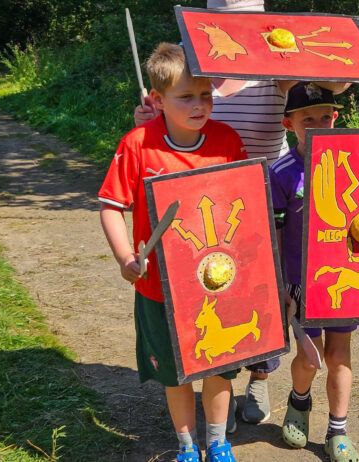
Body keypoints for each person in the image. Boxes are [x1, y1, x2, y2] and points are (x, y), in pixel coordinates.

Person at [133, 0, 351, 428]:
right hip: (206, 201)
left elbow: (337, 82)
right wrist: (149, 115)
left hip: (270, 194)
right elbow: (171, 110)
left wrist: (307, 47)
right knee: (217, 292)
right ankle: (222, 390)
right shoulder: (190, 55)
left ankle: (258, 379)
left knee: (260, 295)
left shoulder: (273, 60)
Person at [99, 42, 245, 462]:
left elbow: (246, 207)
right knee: (175, 371)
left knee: (218, 366)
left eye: (205, 95)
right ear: (158, 100)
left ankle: (218, 442)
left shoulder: (227, 141)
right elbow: (111, 207)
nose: (199, 105)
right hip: (159, 286)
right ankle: (186, 446)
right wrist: (126, 257)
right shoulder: (137, 144)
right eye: (186, 97)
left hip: (219, 284)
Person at [269, 82, 359, 462]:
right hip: (300, 282)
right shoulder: (282, 172)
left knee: (339, 355)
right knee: (309, 357)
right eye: (309, 118)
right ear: (290, 123)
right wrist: (280, 286)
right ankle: (299, 400)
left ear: (336, 117)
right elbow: (274, 234)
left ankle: (337, 430)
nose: (320, 123)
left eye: (326, 116)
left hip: (341, 279)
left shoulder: (353, 167)